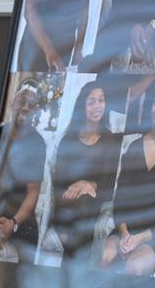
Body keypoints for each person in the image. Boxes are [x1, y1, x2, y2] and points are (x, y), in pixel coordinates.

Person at [102, 78, 155, 277]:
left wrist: (138, 239)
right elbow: (119, 200)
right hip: (126, 230)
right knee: (106, 256)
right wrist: (124, 234)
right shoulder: (134, 147)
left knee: (135, 266)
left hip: (154, 236)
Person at [49, 80, 121, 262]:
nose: (97, 106)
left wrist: (87, 184)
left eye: (101, 100)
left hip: (92, 203)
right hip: (66, 201)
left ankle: (73, 256)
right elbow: (58, 182)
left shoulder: (110, 140)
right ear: (83, 106)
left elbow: (110, 183)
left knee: (84, 203)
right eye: (91, 101)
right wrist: (73, 189)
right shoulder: (68, 141)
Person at [0, 83, 47, 263]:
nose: (26, 108)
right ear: (12, 103)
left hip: (18, 221)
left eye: (31, 104)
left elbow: (33, 191)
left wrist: (13, 223)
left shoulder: (37, 143)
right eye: (22, 101)